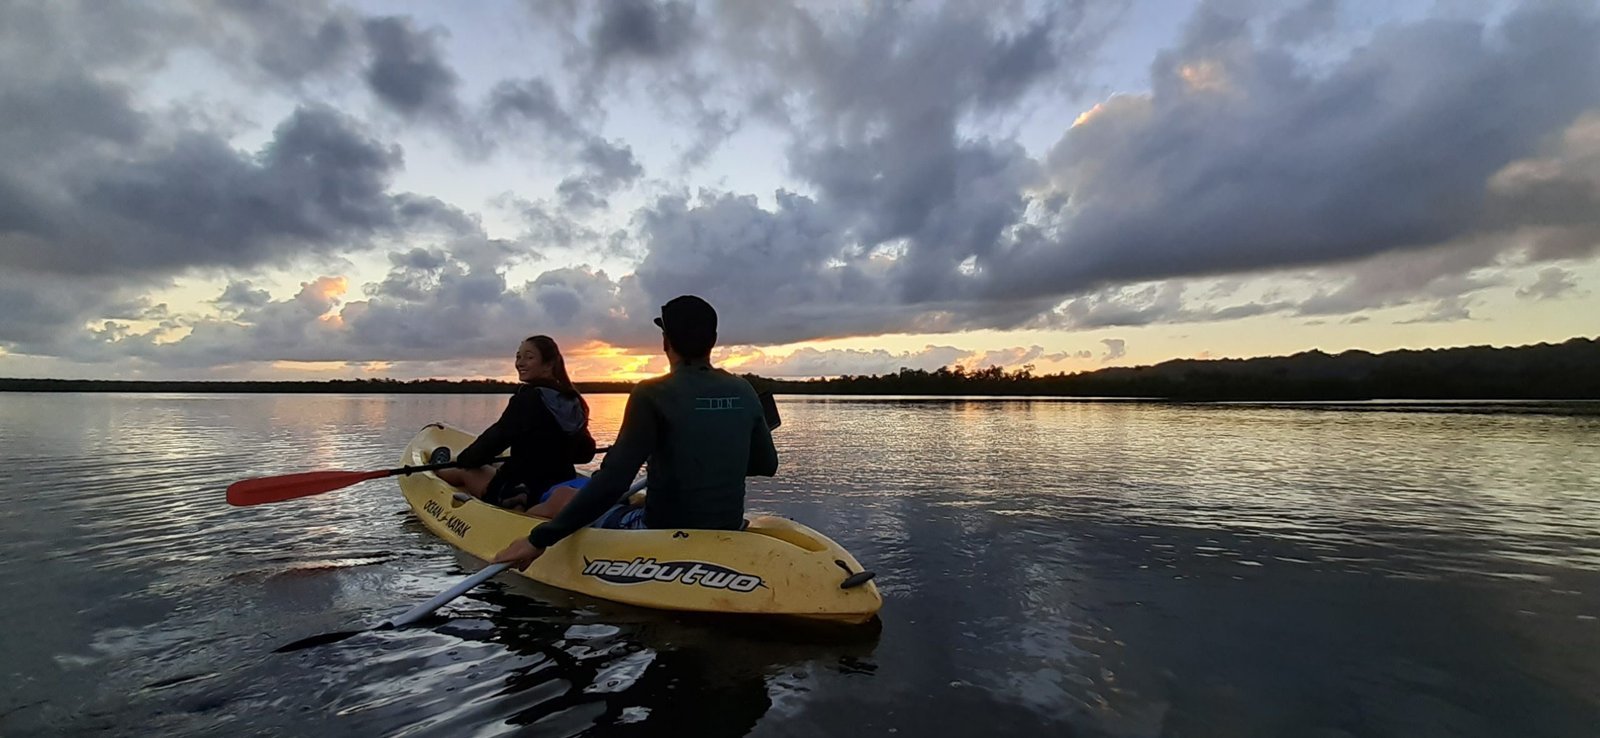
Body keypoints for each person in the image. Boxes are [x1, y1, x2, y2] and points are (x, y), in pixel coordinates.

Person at [493, 295, 778, 568]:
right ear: (712, 341)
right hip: (728, 526)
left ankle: (514, 525)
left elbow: (613, 482)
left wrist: (539, 540)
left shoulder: (651, 393)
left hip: (659, 531)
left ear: (665, 341)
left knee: (563, 499)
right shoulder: (743, 389)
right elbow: (765, 465)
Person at [439, 335, 597, 514]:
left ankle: (437, 468)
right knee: (494, 466)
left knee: (465, 470)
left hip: (523, 489)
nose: (520, 363)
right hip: (560, 481)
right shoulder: (573, 400)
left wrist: (465, 459)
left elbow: (496, 438)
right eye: (518, 357)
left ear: (549, 364)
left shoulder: (527, 399)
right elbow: (585, 453)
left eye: (529, 357)